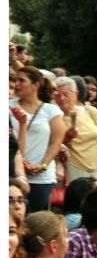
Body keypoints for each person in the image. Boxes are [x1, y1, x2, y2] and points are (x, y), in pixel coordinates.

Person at [10, 66, 64, 213]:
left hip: (41, 177)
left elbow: (56, 142)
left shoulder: (51, 110)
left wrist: (43, 164)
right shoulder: (8, 107)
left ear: (36, 85)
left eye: (22, 80)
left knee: (36, 220)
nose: (17, 84)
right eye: (16, 80)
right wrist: (19, 161)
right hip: (13, 173)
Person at [52, 77, 97, 182]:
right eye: (58, 95)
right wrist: (66, 138)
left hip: (96, 167)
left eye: (66, 94)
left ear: (76, 93)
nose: (62, 98)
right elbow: (53, 144)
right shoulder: (54, 116)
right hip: (72, 167)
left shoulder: (91, 111)